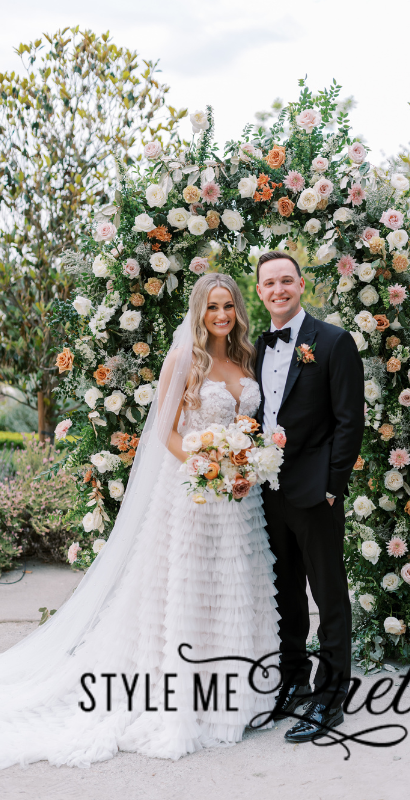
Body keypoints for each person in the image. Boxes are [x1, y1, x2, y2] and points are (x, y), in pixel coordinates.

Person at [0, 273, 279, 769]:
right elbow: (164, 434)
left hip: (240, 499)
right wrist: (204, 463)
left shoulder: (245, 358)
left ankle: (238, 696)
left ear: (238, 311)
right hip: (191, 494)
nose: (221, 315)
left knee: (236, 585)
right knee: (188, 588)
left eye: (229, 307)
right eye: (213, 306)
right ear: (199, 311)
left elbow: (253, 425)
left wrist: (245, 464)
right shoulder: (184, 360)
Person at [255, 251, 365, 744]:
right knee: (286, 596)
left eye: (286, 281)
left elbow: (349, 422)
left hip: (315, 493)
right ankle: (294, 684)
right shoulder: (256, 346)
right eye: (268, 284)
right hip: (268, 492)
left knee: (328, 595)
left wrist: (331, 487)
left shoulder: (334, 341)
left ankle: (329, 698)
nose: (278, 290)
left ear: (301, 284)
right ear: (259, 292)